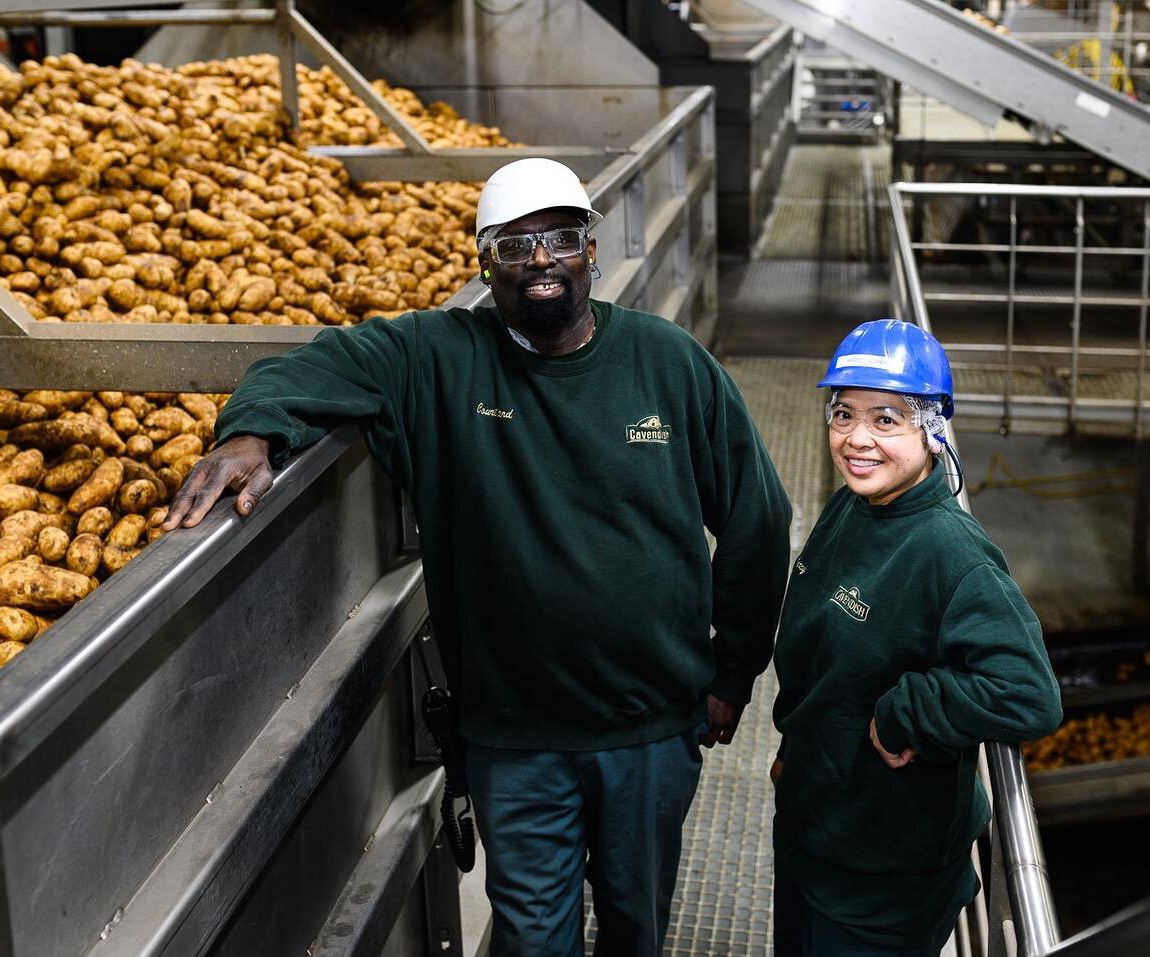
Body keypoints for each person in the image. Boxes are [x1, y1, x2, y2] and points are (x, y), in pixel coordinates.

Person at [162, 157, 793, 956]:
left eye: (560, 239)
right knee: (533, 938)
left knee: (636, 926)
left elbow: (759, 520)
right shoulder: (436, 358)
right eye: (513, 244)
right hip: (513, 732)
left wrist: (733, 673)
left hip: (649, 724)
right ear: (483, 262)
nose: (539, 261)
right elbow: (307, 367)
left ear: (590, 251)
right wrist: (252, 431)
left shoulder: (668, 365)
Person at [769, 319, 1061, 956]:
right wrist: (797, 750)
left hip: (880, 879)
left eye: (886, 419)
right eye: (843, 414)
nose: (856, 440)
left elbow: (1028, 694)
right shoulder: (853, 505)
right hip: (812, 828)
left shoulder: (950, 553)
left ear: (931, 432)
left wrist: (910, 712)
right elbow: (821, 657)